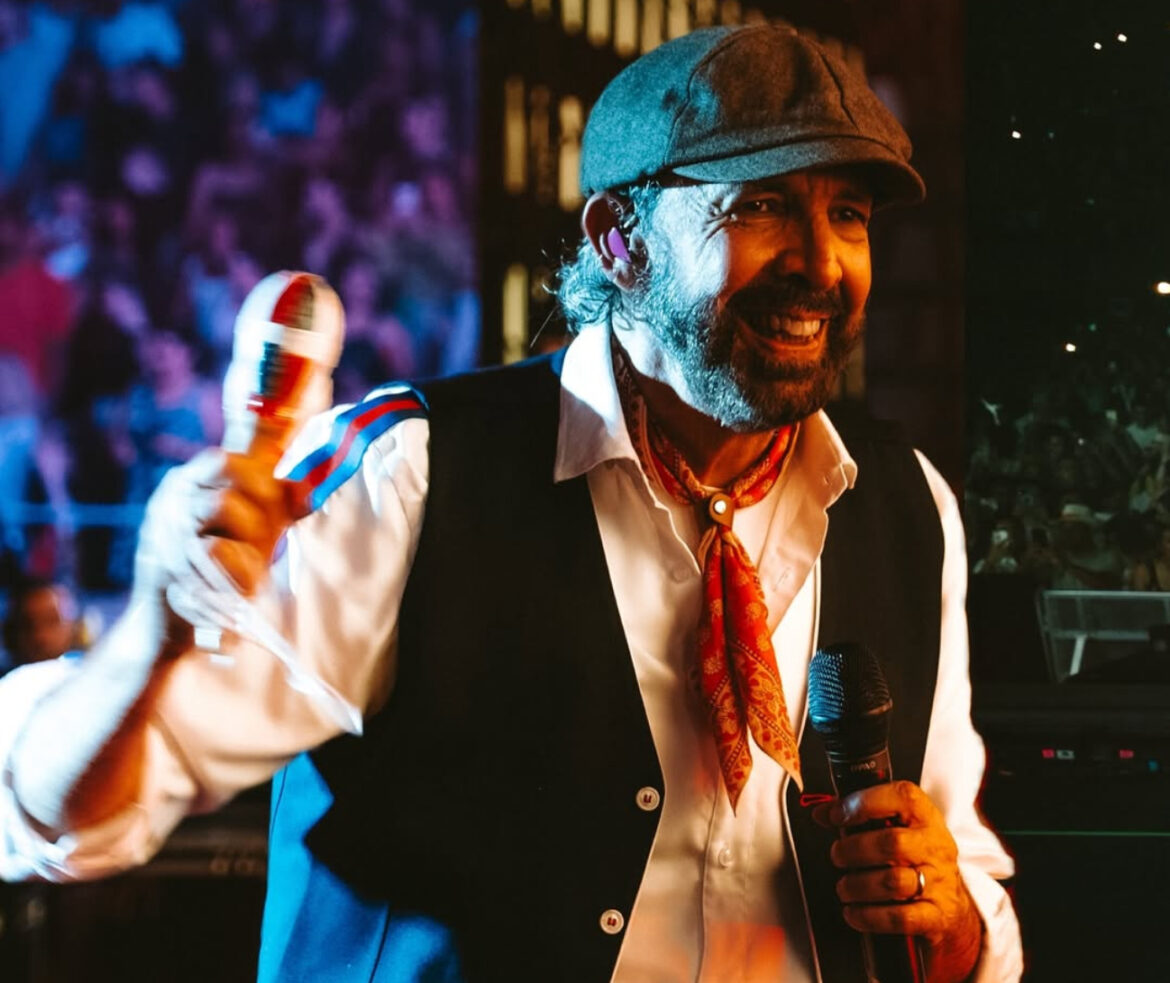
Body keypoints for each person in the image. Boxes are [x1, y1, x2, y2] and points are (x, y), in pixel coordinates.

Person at [0, 25, 1022, 983]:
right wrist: (151, 632)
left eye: (848, 214)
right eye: (758, 206)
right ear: (618, 241)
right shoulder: (412, 474)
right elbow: (61, 820)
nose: (821, 262)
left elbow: (969, 888)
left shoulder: (908, 507)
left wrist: (950, 918)